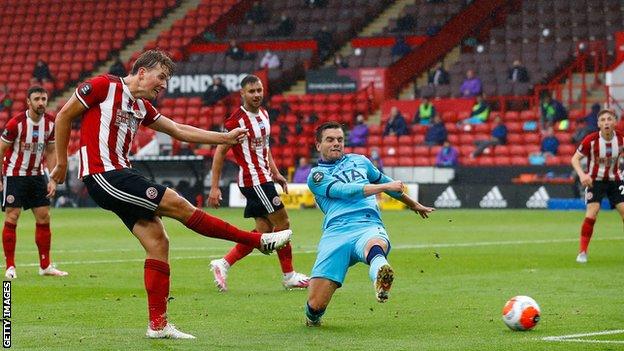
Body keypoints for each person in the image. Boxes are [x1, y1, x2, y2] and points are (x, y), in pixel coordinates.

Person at [50, 50, 292, 339]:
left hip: (120, 174)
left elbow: (178, 129)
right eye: (161, 77)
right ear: (142, 72)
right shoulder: (104, 86)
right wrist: (62, 162)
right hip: (104, 174)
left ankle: (158, 325)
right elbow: (64, 115)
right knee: (177, 203)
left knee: (158, 242)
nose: (163, 85)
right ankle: (257, 240)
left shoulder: (141, 106)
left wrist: (224, 138)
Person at [304, 121, 434, 327]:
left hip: (367, 223)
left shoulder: (360, 161)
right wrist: (382, 186)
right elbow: (345, 190)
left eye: (340, 139)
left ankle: (381, 276)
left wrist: (414, 204)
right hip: (336, 232)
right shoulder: (316, 176)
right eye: (330, 140)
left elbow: (390, 187)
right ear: (318, 145)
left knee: (375, 246)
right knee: (316, 304)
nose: (336, 143)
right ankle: (313, 318)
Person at [207, 75, 309, 293]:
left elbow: (265, 148)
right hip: (254, 181)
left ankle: (223, 263)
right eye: (251, 91)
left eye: (259, 90)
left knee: (264, 231)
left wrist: (276, 173)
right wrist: (214, 187)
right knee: (284, 224)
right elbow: (220, 152)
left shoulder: (263, 114)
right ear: (242, 94)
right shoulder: (237, 121)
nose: (256, 95)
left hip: (264, 177)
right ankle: (289, 275)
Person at [0, 86, 68, 280]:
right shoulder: (16, 123)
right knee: (12, 217)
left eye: (44, 99)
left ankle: (45, 265)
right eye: (37, 99)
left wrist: (53, 179)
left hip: (37, 175)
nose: (41, 102)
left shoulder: (50, 124)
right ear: (28, 102)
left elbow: (51, 151)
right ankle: (10, 266)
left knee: (44, 217)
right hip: (15, 175)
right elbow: (1, 149)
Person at [570, 109, 624, 264]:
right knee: (592, 213)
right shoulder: (591, 140)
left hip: (615, 180)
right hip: (595, 181)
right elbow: (574, 159)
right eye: (603, 120)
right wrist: (582, 175)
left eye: (609, 119)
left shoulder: (621, 139)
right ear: (598, 124)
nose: (606, 122)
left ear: (615, 121)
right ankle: (582, 252)